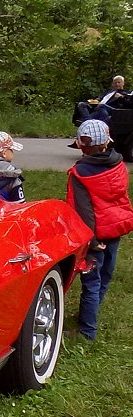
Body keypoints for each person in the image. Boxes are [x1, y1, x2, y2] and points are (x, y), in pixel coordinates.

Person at [66, 119, 133, 341]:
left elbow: (82, 210)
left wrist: (91, 239)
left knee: (91, 281)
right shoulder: (119, 164)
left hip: (95, 235)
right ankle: (90, 312)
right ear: (106, 143)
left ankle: (87, 331)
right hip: (116, 229)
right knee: (105, 275)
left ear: (82, 145)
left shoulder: (80, 174)